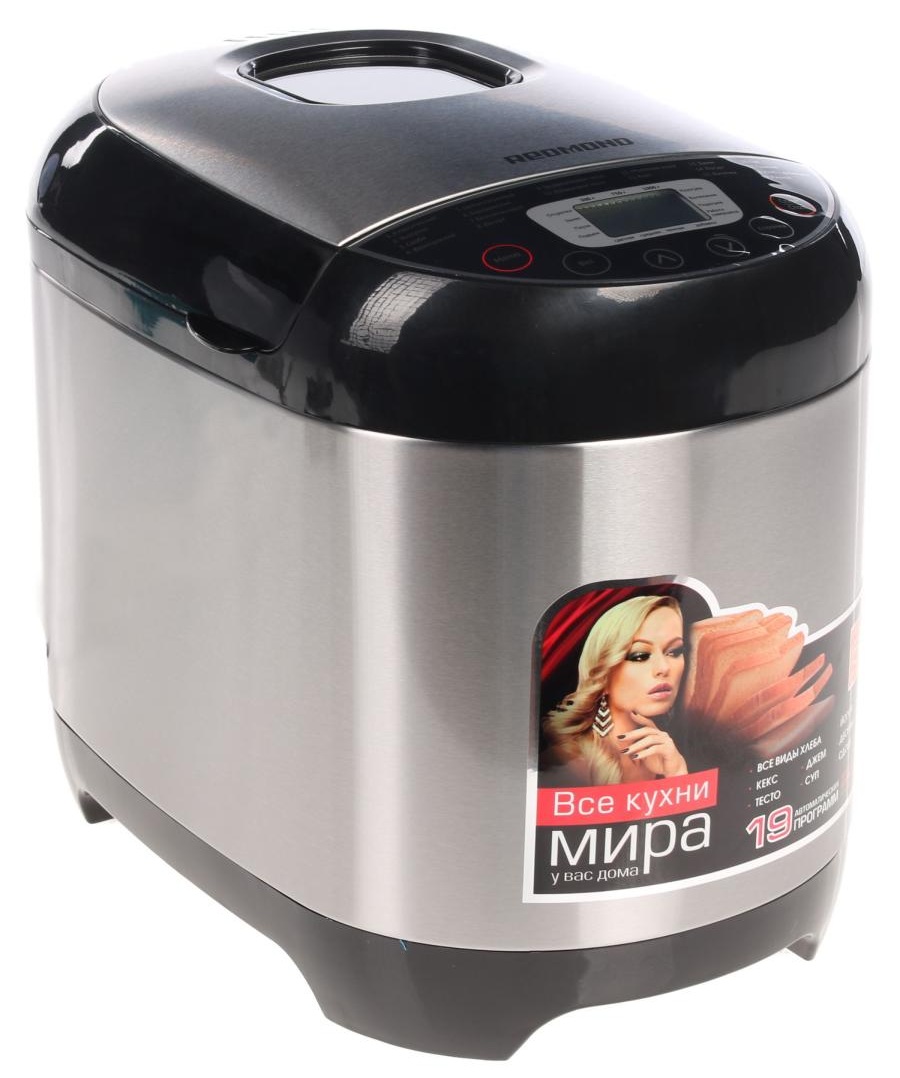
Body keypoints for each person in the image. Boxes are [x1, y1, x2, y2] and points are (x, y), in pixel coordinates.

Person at [540, 595, 688, 786]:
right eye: (640, 655)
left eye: (674, 651)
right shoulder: (568, 761)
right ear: (603, 674)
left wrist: (677, 772)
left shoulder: (672, 750)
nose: (664, 668)